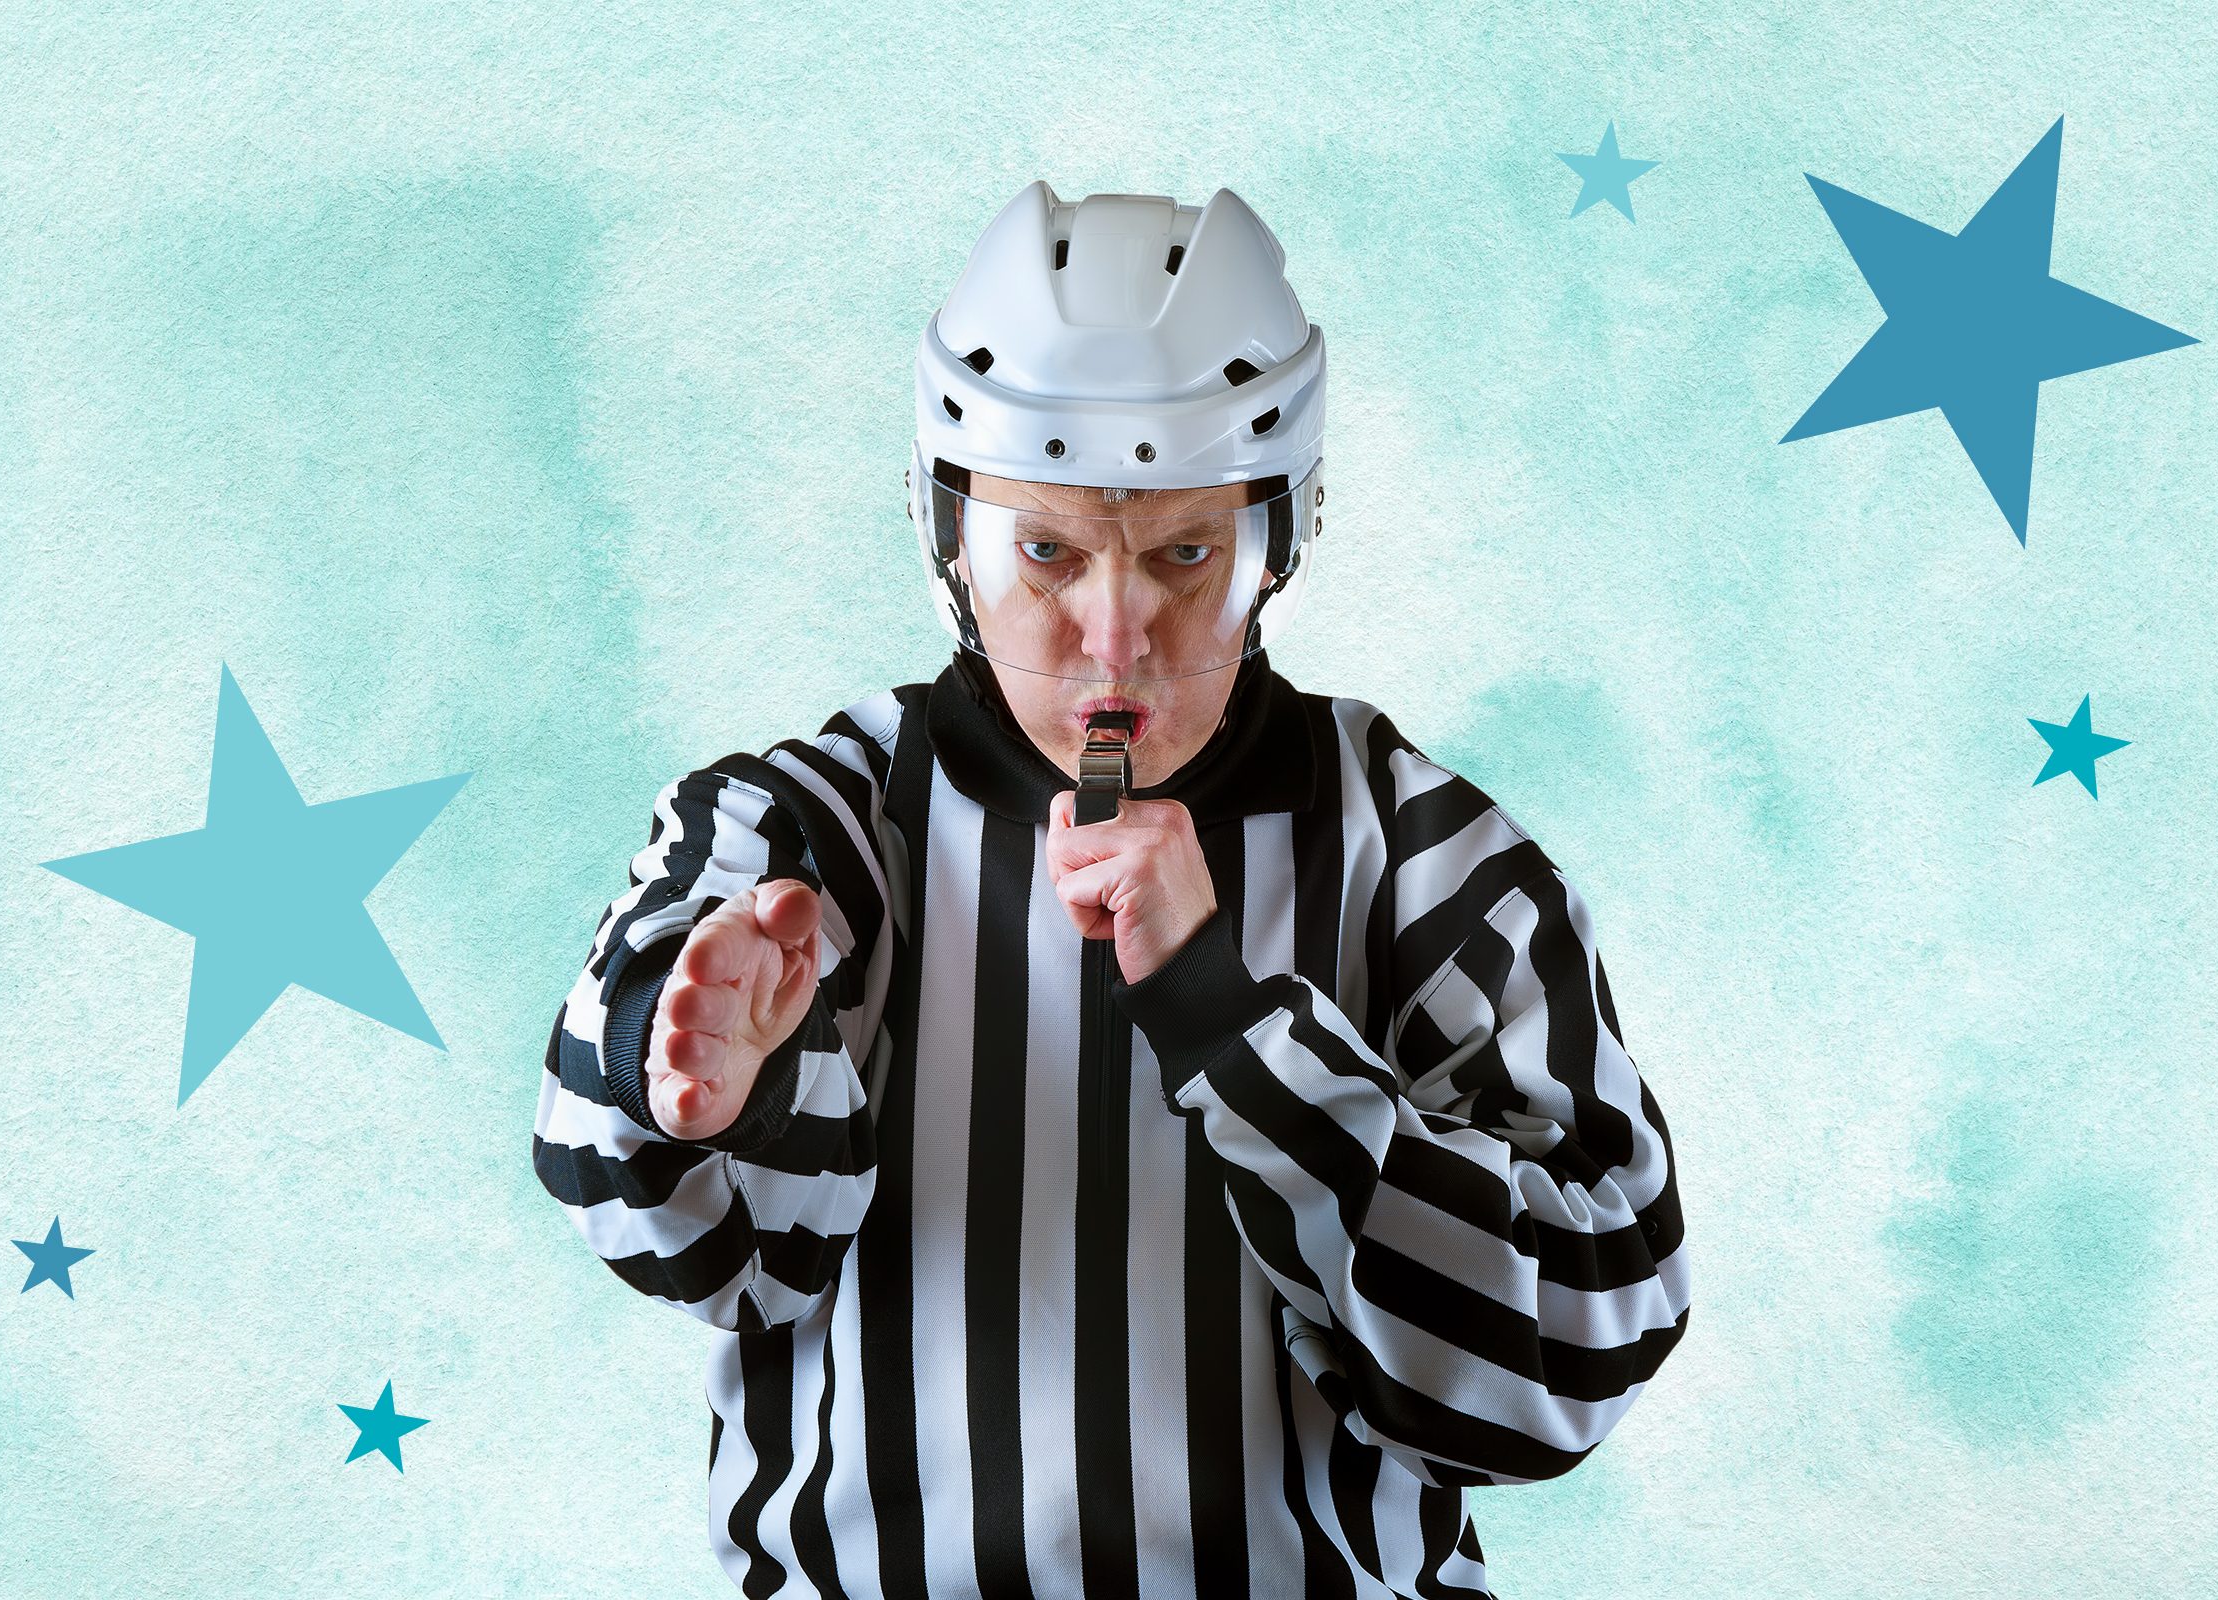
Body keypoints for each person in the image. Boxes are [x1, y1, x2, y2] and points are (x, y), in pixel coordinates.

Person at [533, 179, 1692, 1599]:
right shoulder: (819, 818)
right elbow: (689, 1235)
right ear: (945, 535)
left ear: (1286, 537)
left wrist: (1234, 1028)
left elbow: (1578, 1353)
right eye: (1047, 553)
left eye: (1186, 555)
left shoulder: (1425, 854)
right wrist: (700, 1067)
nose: (1115, 641)